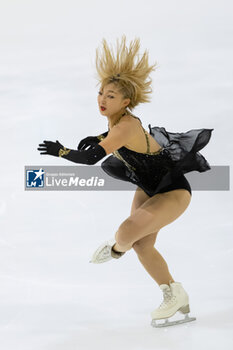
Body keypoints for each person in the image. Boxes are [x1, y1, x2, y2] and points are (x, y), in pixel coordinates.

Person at [37, 35, 213, 328]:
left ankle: (117, 248)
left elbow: (91, 159)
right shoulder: (117, 122)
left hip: (173, 190)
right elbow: (110, 140)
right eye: (101, 93)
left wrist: (62, 151)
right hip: (147, 187)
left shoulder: (127, 124)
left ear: (126, 102)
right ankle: (174, 293)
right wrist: (97, 137)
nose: (102, 101)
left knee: (126, 232)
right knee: (142, 245)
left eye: (111, 96)